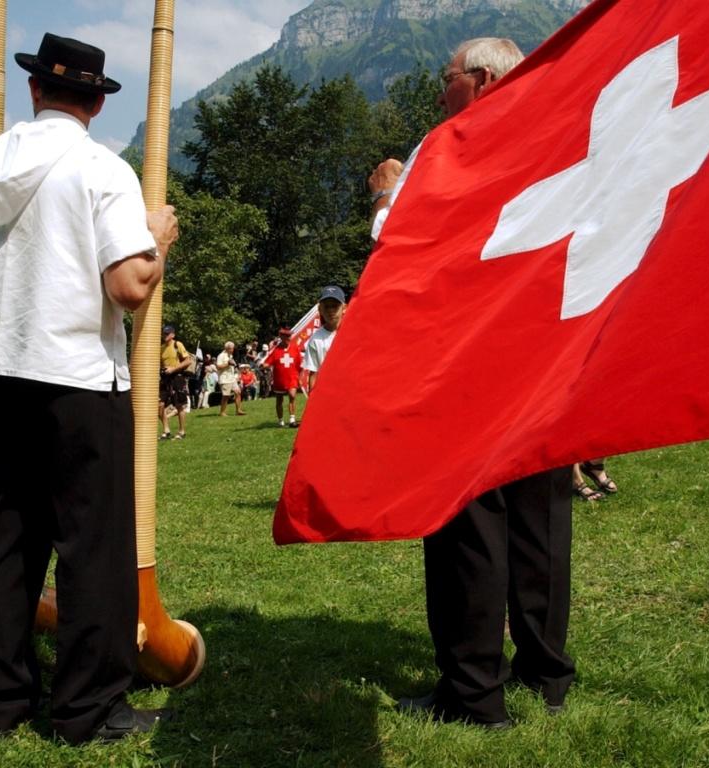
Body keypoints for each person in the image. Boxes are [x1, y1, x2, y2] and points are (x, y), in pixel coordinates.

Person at [0, 34, 179, 743]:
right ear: (97, 103)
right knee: (92, 549)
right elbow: (128, 285)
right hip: (79, 380)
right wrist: (158, 238)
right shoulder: (102, 169)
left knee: (8, 543)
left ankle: (3, 702)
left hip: (1, 376)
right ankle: (87, 711)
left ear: (36, 91)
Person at [372, 38, 575, 729]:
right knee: (542, 519)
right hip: (546, 348)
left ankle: (473, 691)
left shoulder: (457, 144)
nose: (440, 92)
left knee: (468, 520)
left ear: (481, 80)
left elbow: (411, 244)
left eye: (446, 77)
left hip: (472, 356)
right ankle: (546, 673)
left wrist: (383, 197)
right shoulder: (560, 129)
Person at [302, 286, 346, 391]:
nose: (331, 310)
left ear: (344, 308)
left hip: (351, 392)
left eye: (335, 306)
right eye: (326, 306)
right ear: (320, 309)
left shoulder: (353, 334)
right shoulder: (315, 340)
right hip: (328, 393)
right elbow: (314, 373)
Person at [261, 327, 303, 427]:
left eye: (289, 335)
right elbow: (268, 362)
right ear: (281, 336)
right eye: (286, 335)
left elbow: (299, 363)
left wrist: (299, 376)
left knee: (292, 396)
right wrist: (263, 366)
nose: (288, 337)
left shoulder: (295, 347)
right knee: (279, 400)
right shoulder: (275, 350)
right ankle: (280, 420)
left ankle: (292, 419)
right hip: (279, 379)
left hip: (292, 377)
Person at [158, 324, 193, 440]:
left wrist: (173, 369)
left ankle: (182, 431)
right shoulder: (161, 348)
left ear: (173, 335)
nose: (165, 335)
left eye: (167, 333)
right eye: (164, 333)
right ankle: (166, 430)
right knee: (159, 405)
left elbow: (188, 361)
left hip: (177, 377)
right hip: (165, 378)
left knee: (179, 405)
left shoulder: (178, 344)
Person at [216, 341, 245, 417]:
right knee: (226, 396)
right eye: (232, 348)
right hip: (224, 378)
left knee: (238, 392)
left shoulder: (230, 356)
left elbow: (232, 366)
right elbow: (218, 367)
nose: (233, 350)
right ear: (227, 348)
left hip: (232, 378)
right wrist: (228, 364)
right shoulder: (221, 356)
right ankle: (222, 412)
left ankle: (238, 410)